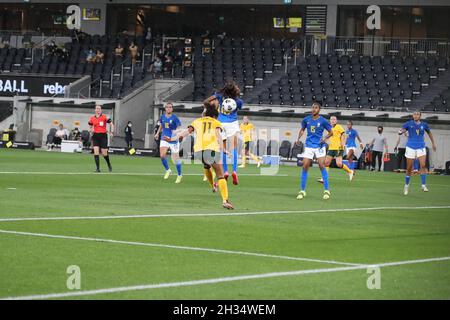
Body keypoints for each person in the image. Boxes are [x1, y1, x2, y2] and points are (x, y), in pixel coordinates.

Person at [165, 104, 233, 210]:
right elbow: (218, 135)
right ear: (215, 116)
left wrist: (173, 139)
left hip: (198, 151)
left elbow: (186, 132)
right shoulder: (216, 122)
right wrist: (223, 148)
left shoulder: (197, 121)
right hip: (212, 150)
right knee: (220, 175)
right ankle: (225, 200)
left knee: (206, 166)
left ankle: (212, 186)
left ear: (205, 114)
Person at [203, 81, 242, 185]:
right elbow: (237, 109)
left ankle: (225, 171)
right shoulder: (238, 101)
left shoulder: (220, 96)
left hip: (220, 123)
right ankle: (234, 171)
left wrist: (212, 108)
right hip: (232, 123)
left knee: (223, 149)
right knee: (233, 148)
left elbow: (206, 101)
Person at [295, 102, 333, 200]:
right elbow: (302, 129)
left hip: (319, 146)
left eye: (316, 108)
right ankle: (302, 191)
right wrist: (298, 138)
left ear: (319, 109)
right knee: (305, 166)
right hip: (309, 146)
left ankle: (327, 190)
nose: (313, 109)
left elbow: (331, 132)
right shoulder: (306, 119)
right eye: (312, 107)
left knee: (321, 166)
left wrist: (325, 138)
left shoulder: (323, 121)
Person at [399, 111, 437, 195]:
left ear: (420, 116)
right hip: (410, 147)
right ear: (413, 116)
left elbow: (429, 133)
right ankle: (406, 185)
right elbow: (403, 129)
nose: (416, 115)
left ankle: (423, 185)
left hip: (421, 147)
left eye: (417, 114)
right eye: (414, 114)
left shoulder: (424, 124)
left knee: (423, 165)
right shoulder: (408, 123)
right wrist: (401, 131)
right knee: (409, 168)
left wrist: (433, 143)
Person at [318, 116, 354, 183]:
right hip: (331, 148)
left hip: (338, 148)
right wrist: (323, 140)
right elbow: (329, 136)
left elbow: (344, 135)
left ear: (336, 121)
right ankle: (324, 178)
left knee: (339, 164)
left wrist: (343, 143)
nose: (333, 120)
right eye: (331, 119)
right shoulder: (329, 128)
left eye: (334, 119)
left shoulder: (339, 127)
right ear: (330, 120)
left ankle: (350, 171)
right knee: (326, 163)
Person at [154, 102, 183, 183]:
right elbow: (161, 125)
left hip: (173, 139)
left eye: (170, 107)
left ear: (172, 109)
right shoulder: (162, 117)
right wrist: (157, 133)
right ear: (165, 108)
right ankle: (168, 170)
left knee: (175, 160)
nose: (169, 108)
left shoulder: (175, 118)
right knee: (162, 155)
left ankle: (179, 175)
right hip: (164, 138)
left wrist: (176, 131)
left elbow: (180, 127)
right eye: (167, 107)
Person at [88, 105, 114, 172]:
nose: (98, 110)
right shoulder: (92, 118)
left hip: (103, 136)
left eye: (99, 109)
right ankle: (98, 168)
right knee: (96, 152)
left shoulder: (105, 117)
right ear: (95, 110)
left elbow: (112, 124)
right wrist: (91, 130)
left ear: (101, 110)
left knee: (104, 153)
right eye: (97, 108)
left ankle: (109, 164)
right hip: (95, 136)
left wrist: (111, 132)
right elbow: (90, 127)